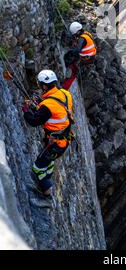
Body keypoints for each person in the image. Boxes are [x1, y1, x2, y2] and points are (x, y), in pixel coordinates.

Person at [23, 70, 74, 199]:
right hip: (64, 140)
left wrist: (26, 110)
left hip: (55, 144)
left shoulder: (47, 105)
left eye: (41, 85)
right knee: (49, 163)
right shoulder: (65, 94)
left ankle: (47, 195)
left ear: (44, 86)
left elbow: (34, 121)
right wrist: (40, 103)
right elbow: (57, 109)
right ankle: (47, 178)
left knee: (37, 168)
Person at [63, 22, 97, 89]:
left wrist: (70, 54)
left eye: (75, 34)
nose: (75, 35)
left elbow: (77, 50)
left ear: (78, 32)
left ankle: (65, 87)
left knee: (74, 71)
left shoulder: (82, 39)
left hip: (87, 59)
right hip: (89, 56)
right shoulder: (86, 33)